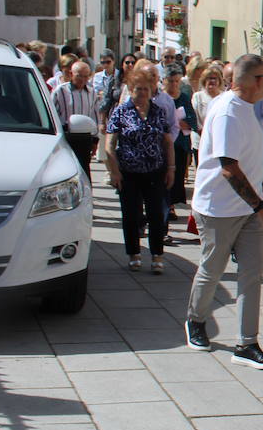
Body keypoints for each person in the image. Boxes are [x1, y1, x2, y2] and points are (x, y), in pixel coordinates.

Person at [185, 53, 263, 369]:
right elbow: (228, 168)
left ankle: (247, 343)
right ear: (254, 81)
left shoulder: (250, 108)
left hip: (250, 209)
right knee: (213, 267)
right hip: (219, 209)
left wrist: (259, 207)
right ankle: (196, 320)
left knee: (251, 275)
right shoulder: (228, 111)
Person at [104, 65, 174, 273]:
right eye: (138, 89)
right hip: (129, 172)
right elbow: (109, 145)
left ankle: (157, 255)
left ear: (152, 90)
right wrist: (114, 171)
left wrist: (171, 168)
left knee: (156, 215)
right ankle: (134, 253)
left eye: (146, 89)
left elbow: (167, 142)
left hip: (154, 171)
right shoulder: (121, 112)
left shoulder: (158, 112)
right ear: (131, 89)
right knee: (131, 215)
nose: (142, 93)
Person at [162, 62, 198, 227]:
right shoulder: (160, 98)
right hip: (163, 144)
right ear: (164, 81)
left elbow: (191, 120)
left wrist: (183, 122)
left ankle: (172, 205)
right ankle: (165, 205)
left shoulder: (183, 98)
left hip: (180, 143)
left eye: (177, 81)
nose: (174, 84)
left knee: (177, 178)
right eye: (171, 81)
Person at [52, 59, 98, 181]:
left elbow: (94, 115)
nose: (82, 79)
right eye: (79, 76)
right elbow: (53, 114)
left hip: (84, 137)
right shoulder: (60, 91)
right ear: (71, 74)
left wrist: (95, 139)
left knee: (84, 169)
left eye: (86, 76)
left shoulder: (91, 92)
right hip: (67, 136)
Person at [191, 62, 224, 162]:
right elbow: (194, 117)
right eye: (209, 78)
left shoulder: (224, 97)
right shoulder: (198, 96)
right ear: (204, 80)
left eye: (215, 78)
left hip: (219, 141)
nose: (212, 81)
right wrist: (204, 133)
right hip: (200, 140)